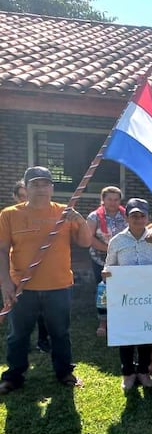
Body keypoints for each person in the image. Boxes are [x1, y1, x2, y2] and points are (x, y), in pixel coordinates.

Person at [0, 166, 91, 395]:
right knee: (18, 334)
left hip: (58, 286)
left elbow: (86, 242)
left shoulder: (64, 212)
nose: (40, 188)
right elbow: (2, 250)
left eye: (45, 184)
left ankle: (64, 372)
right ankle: (14, 376)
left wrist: (79, 220)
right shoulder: (9, 214)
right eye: (34, 184)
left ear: (52, 187)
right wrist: (5, 283)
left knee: (60, 332)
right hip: (22, 287)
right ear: (26, 187)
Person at [102, 198, 152, 390]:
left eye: (142, 215)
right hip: (125, 297)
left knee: (146, 333)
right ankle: (127, 372)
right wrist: (107, 273)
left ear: (148, 217)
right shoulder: (117, 241)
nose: (138, 219)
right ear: (127, 217)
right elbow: (109, 265)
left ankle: (142, 370)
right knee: (126, 334)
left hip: (150, 297)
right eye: (134, 215)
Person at [11, 179, 49, 352]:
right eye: (22, 197)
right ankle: (21, 347)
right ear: (15, 197)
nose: (26, 200)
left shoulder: (44, 217)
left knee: (43, 312)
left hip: (43, 274)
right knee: (21, 317)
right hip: (18, 275)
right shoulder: (10, 216)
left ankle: (43, 341)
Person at [86, 186, 128, 337]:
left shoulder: (127, 214)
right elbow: (88, 238)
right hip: (101, 260)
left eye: (116, 199)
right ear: (103, 200)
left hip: (123, 260)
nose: (113, 202)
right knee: (104, 291)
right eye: (109, 199)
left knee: (122, 290)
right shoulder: (94, 217)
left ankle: (121, 318)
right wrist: (108, 249)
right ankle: (103, 322)